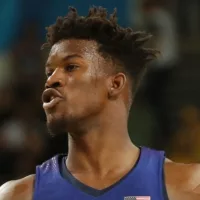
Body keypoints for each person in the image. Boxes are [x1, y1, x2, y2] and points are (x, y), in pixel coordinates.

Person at [0, 6, 200, 200]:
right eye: (49, 72)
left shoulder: (189, 187)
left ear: (115, 83)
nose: (51, 80)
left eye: (70, 67)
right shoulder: (17, 195)